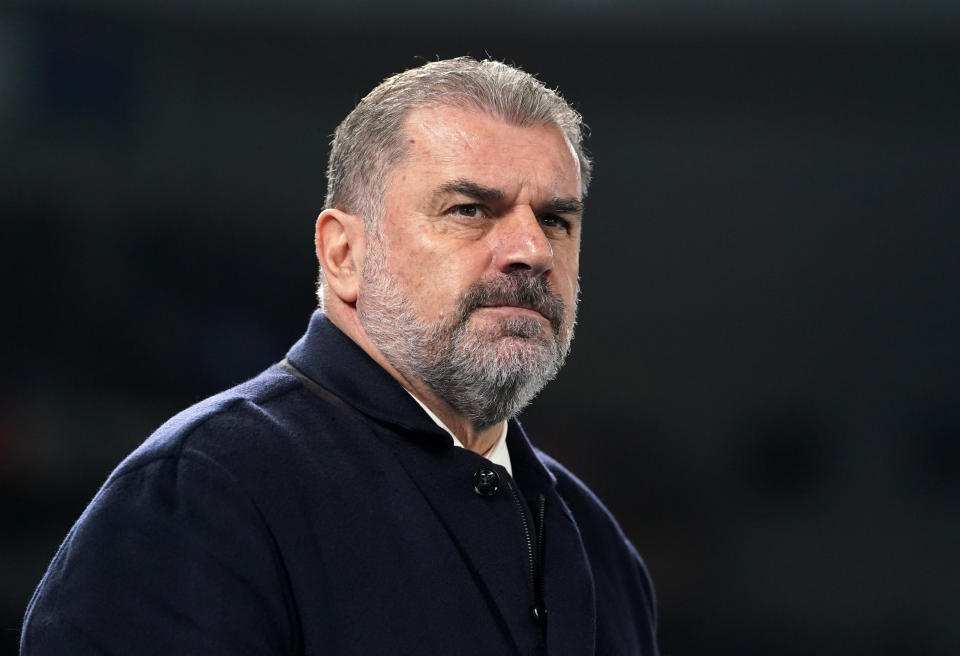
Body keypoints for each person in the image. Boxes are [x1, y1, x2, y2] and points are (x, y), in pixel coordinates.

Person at [21, 57, 659, 655]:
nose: (532, 250)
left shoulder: (598, 548)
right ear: (344, 255)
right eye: (470, 210)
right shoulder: (202, 496)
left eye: (556, 220)